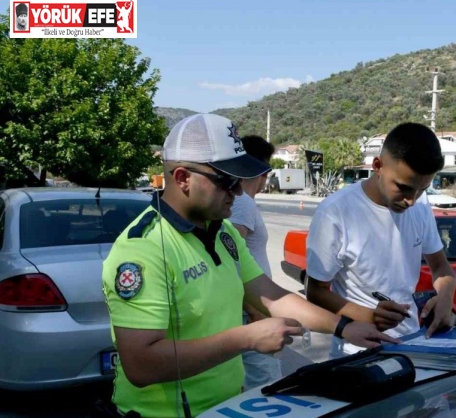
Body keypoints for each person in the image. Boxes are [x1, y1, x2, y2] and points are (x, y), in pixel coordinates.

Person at [102, 113, 395, 417]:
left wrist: (345, 327)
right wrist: (246, 338)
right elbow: (141, 364)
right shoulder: (143, 250)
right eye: (227, 181)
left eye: (240, 180)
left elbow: (269, 295)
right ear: (182, 178)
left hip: (227, 407)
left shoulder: (223, 232)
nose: (239, 191)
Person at [305, 122, 456, 358]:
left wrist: (446, 298)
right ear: (378, 166)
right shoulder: (335, 212)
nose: (412, 200)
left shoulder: (421, 205)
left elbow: (440, 267)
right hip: (358, 351)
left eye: (421, 189)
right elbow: (315, 291)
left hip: (413, 344)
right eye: (404, 188)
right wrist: (369, 315)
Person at [228, 135, 282, 391]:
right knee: (265, 385)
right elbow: (232, 261)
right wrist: (254, 310)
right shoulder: (243, 204)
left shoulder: (240, 202)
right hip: (249, 311)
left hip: (246, 308)